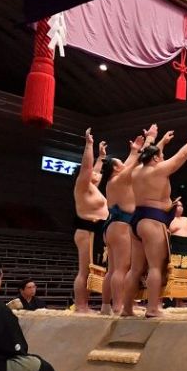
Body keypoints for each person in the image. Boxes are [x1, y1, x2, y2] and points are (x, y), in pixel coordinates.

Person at [126, 124, 187, 318]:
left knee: (135, 268)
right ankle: (152, 308)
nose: (162, 158)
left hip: (136, 221)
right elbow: (182, 156)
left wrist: (154, 139)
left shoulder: (135, 171)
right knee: (156, 266)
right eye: (160, 156)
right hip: (153, 220)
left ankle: (126, 309)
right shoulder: (158, 170)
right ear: (155, 158)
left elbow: (148, 153)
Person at [101, 127, 153, 315]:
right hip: (122, 226)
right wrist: (150, 140)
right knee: (121, 269)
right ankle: (118, 305)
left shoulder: (111, 181)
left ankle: (106, 306)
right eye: (119, 163)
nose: (123, 164)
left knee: (112, 269)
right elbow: (137, 163)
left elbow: (130, 163)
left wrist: (133, 150)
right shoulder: (121, 178)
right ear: (115, 167)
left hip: (112, 226)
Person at [72, 128, 108, 313]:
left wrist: (101, 157)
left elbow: (93, 170)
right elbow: (87, 168)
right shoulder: (82, 187)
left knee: (92, 270)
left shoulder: (93, 188)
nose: (97, 173)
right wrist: (89, 145)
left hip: (97, 231)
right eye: (93, 173)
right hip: (87, 230)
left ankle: (85, 304)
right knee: (84, 270)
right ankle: (80, 306)